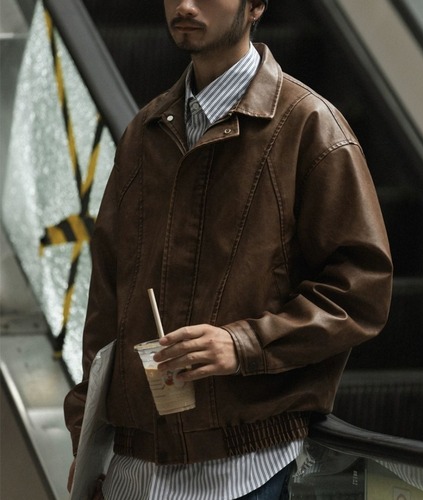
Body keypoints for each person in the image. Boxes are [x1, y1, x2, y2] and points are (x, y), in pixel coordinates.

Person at [64, 0, 393, 498]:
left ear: (256, 4)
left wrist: (243, 344)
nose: (184, 5)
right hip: (132, 471)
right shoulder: (145, 131)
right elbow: (107, 301)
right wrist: (86, 440)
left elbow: (360, 293)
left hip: (246, 469)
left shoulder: (309, 125)